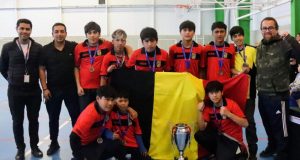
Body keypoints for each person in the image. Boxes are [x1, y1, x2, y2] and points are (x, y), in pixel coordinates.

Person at [256, 17, 300, 160]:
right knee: (268, 124)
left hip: (278, 95)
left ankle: (283, 151)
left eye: (270, 27)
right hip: (262, 93)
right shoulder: (261, 46)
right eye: (264, 28)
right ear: (261, 30)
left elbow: (298, 54)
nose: (267, 30)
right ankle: (272, 146)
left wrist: (292, 39)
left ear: (276, 29)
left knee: (281, 127)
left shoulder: (284, 44)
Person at [0, 18, 43, 159]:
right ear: (17, 29)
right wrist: (13, 79)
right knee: (17, 121)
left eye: (27, 29)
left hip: (33, 91)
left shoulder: (37, 47)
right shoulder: (7, 47)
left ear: (31, 30)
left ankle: (34, 146)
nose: (24, 31)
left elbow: (41, 68)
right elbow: (3, 68)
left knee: (34, 120)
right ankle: (20, 149)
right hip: (15, 92)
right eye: (22, 28)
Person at [39, 22, 80, 155]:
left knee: (76, 117)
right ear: (52, 34)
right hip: (53, 90)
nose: (59, 34)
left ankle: (77, 143)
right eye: (56, 31)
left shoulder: (73, 47)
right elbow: (41, 69)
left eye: (62, 31)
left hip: (71, 90)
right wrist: (44, 88)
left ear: (66, 33)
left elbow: (88, 44)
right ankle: (54, 143)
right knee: (53, 118)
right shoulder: (45, 50)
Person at [194, 81, 248, 160]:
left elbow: (246, 124)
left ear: (222, 92)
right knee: (199, 135)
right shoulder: (208, 106)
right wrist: (199, 111)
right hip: (219, 137)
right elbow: (202, 128)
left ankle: (241, 152)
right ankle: (218, 153)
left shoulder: (231, 104)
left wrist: (229, 114)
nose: (214, 95)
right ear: (208, 95)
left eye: (217, 92)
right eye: (211, 93)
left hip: (232, 140)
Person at [69, 86, 126, 160]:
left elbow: (120, 106)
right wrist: (79, 156)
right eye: (107, 99)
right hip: (86, 145)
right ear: (98, 99)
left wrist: (130, 109)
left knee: (119, 146)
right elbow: (73, 137)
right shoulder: (89, 116)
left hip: (97, 139)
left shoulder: (106, 107)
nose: (110, 103)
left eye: (112, 100)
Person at [229, 26, 258, 160]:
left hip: (249, 93)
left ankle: (253, 152)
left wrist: (249, 71)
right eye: (235, 36)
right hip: (235, 93)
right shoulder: (231, 51)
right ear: (232, 39)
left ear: (243, 36)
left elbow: (258, 69)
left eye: (240, 35)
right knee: (234, 122)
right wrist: (239, 73)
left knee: (250, 122)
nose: (238, 38)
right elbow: (230, 69)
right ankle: (239, 149)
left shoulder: (252, 49)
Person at [74, 21, 112, 111]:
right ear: (86, 35)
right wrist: (78, 86)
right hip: (84, 88)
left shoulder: (107, 45)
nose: (92, 35)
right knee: (85, 113)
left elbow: (121, 45)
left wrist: (130, 51)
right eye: (89, 33)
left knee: (101, 112)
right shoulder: (79, 47)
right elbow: (76, 67)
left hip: (101, 87)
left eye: (95, 32)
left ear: (99, 34)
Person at [106, 91, 149, 159]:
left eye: (125, 101)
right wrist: (110, 135)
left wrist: (142, 147)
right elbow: (106, 129)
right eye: (120, 101)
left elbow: (138, 132)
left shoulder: (133, 115)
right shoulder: (112, 114)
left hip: (132, 144)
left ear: (128, 102)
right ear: (115, 102)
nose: (123, 103)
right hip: (119, 144)